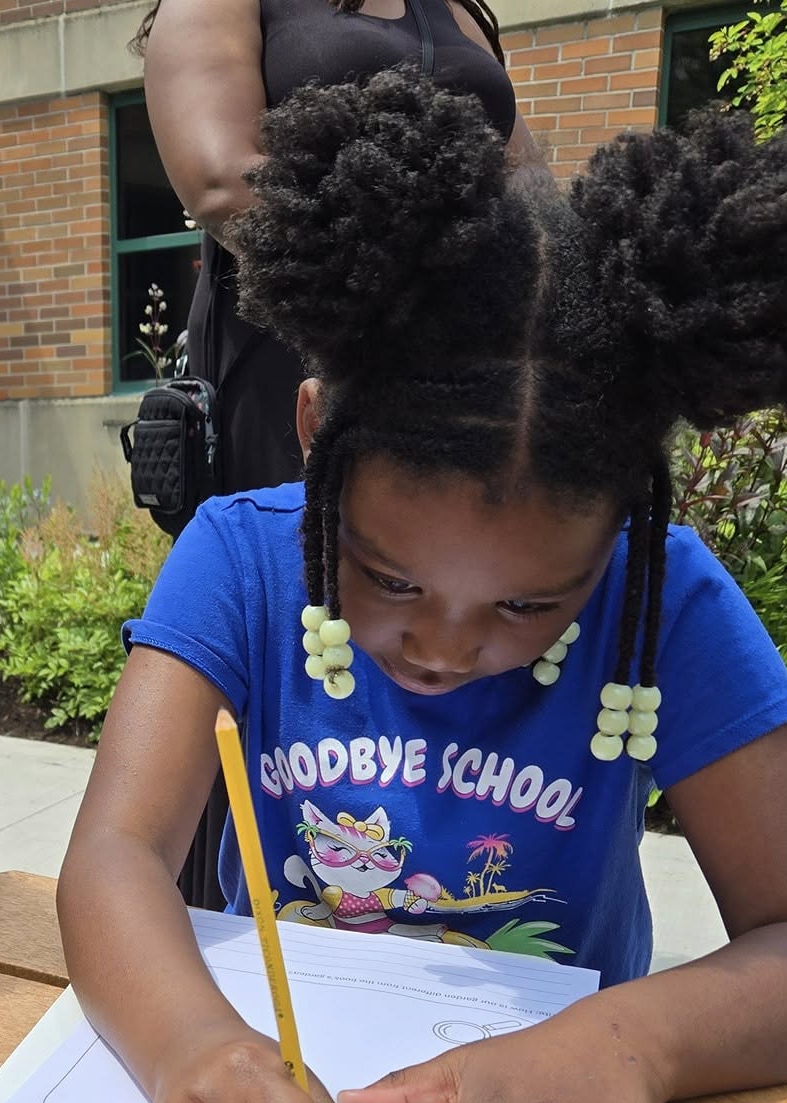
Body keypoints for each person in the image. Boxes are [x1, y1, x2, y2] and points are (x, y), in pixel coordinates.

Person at [58, 73, 787, 1103]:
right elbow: (112, 858)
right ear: (311, 438)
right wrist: (188, 1048)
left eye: (528, 605)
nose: (446, 645)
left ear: (619, 525)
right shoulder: (239, 561)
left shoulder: (667, 602)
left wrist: (629, 1041)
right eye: (384, 578)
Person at [139, 0, 540, 910]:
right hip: (303, 342)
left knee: (444, 633)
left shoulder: (458, 8)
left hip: (465, 372)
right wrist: (403, 306)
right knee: (289, 642)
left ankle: (421, 902)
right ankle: (239, 904)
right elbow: (221, 182)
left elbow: (528, 193)